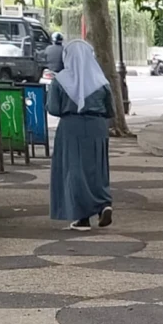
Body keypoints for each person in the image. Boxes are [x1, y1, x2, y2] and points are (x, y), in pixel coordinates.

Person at [46, 36, 114, 230]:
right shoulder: (101, 81)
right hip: (97, 127)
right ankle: (103, 204)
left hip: (71, 128)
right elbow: (111, 110)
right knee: (97, 168)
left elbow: (53, 108)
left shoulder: (60, 81)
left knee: (73, 170)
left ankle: (82, 217)